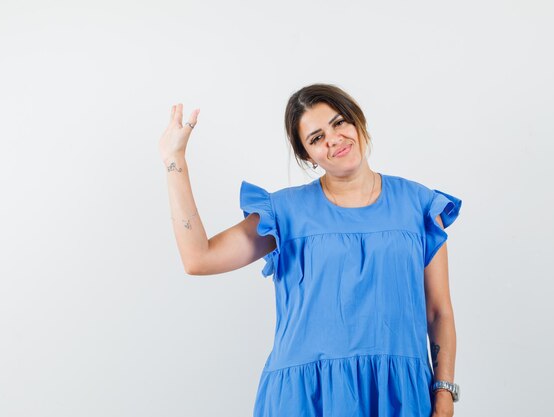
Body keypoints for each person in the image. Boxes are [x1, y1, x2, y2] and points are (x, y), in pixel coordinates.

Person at [159, 83, 462, 417]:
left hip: (398, 394)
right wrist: (175, 162)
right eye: (316, 138)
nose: (333, 140)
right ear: (307, 155)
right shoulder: (285, 213)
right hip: (306, 398)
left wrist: (444, 393)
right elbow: (198, 258)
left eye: (339, 122)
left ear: (357, 121)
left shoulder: (418, 205)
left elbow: (438, 312)